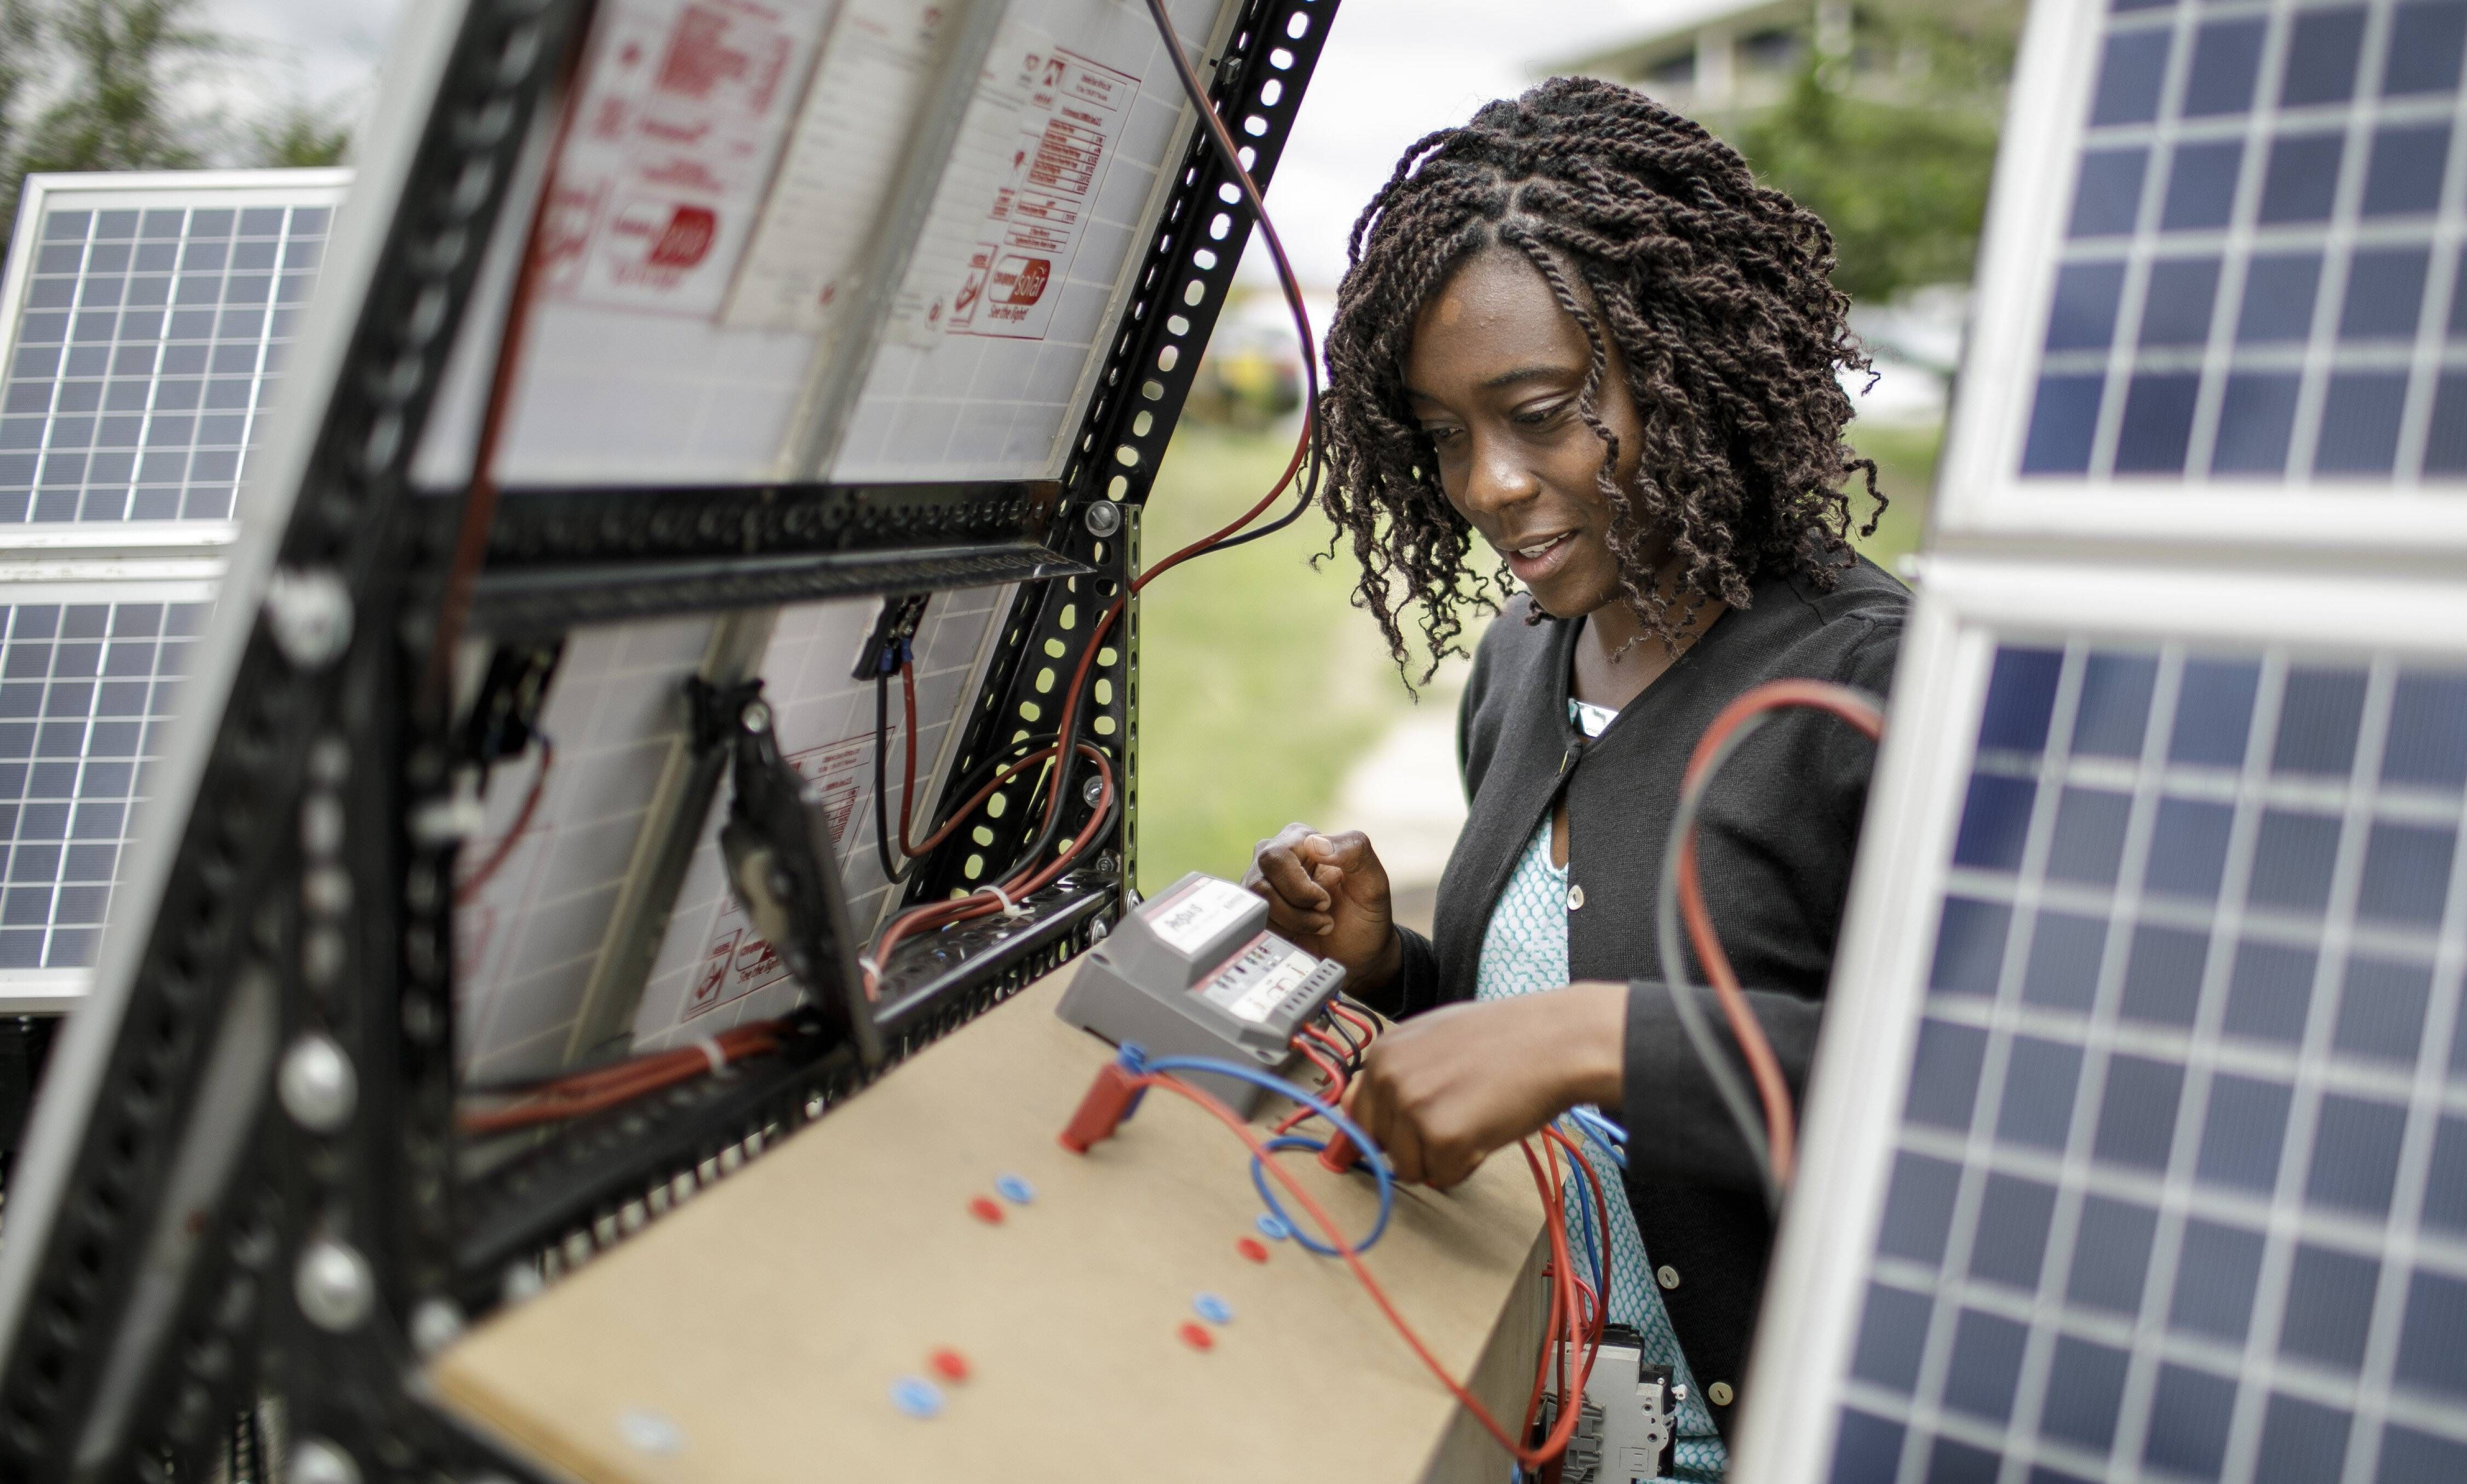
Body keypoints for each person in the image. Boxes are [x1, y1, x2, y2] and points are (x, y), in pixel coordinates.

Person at [1245, 77, 1906, 1478]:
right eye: (1439, 434)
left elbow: (1989, 1092)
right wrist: (1386, 968)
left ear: (1690, 372)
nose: (1484, 482)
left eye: (1539, 411)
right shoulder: (1524, 659)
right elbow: (1525, 1032)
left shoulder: (1868, 690)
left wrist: (1599, 1035)